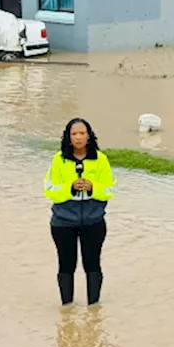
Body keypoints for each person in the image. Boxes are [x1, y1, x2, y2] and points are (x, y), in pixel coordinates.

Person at [44, 118, 116, 305]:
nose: (78, 137)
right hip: (63, 222)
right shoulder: (58, 160)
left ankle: (94, 310)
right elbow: (49, 190)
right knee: (66, 265)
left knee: (92, 265)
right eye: (74, 134)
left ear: (89, 136)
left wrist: (92, 187)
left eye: (82, 133)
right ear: (68, 138)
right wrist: (70, 187)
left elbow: (109, 190)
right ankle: (66, 311)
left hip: (93, 222)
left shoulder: (100, 160)